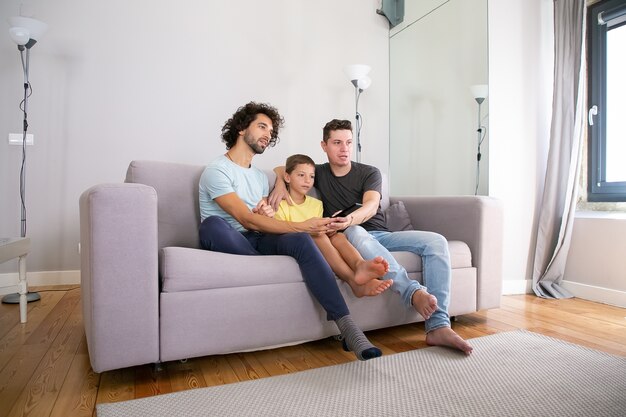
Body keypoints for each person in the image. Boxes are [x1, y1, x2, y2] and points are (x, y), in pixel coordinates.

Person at [270, 119, 473, 355]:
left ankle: (438, 325)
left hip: (382, 235)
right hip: (351, 237)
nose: (344, 149)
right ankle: (413, 293)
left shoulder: (369, 172)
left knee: (436, 241)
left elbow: (371, 205)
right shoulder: (318, 173)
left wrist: (349, 219)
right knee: (356, 231)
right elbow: (282, 169)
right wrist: (278, 185)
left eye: (348, 142)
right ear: (324, 146)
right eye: (337, 143)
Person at [198, 103, 382, 361]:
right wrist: (300, 225)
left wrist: (268, 211)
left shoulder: (261, 177)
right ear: (241, 128)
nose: (267, 134)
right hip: (228, 237)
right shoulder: (216, 170)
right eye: (262, 126)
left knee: (299, 241)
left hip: (257, 240)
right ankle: (264, 260)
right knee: (213, 225)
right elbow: (244, 218)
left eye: (271, 130)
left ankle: (349, 329)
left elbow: (262, 216)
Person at [275, 153, 393, 297]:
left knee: (338, 237)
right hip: (294, 240)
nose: (307, 180)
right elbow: (280, 229)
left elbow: (319, 225)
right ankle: (354, 282)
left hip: (316, 236)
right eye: (301, 175)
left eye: (312, 176)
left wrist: (329, 227)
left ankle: (360, 265)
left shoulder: (316, 204)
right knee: (321, 237)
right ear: (287, 177)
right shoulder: (279, 203)